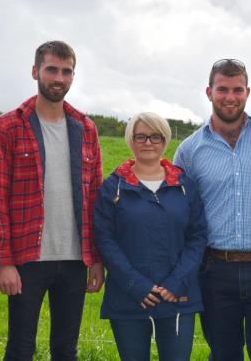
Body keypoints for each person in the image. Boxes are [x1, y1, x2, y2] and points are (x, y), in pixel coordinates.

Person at [0, 40, 105, 361]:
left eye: (66, 72)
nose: (59, 78)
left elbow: (95, 198)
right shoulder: (7, 126)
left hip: (75, 259)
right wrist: (3, 261)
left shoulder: (86, 128)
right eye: (52, 69)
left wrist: (96, 258)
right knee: (21, 348)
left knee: (66, 349)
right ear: (36, 71)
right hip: (26, 258)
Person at [173, 59, 251, 360]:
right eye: (222, 89)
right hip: (214, 270)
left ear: (248, 92)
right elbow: (181, 212)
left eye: (237, 89)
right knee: (223, 353)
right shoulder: (189, 150)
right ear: (209, 92)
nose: (230, 96)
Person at [94, 112, 207, 361]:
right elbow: (105, 239)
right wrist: (136, 285)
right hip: (129, 297)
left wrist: (176, 282)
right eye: (141, 136)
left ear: (165, 140)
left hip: (178, 296)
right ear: (131, 140)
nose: (148, 143)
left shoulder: (185, 186)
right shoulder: (114, 188)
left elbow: (198, 236)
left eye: (155, 136)